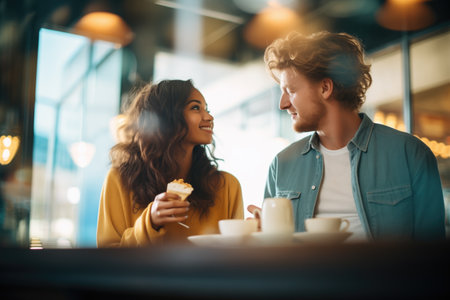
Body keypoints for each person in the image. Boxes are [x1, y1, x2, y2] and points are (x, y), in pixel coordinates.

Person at [248, 31, 445, 241]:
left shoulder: (410, 155)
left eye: (291, 90)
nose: (283, 104)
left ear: (325, 88)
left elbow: (433, 254)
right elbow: (276, 253)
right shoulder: (281, 165)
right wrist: (262, 237)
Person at [97, 79, 244, 247]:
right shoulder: (120, 179)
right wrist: (150, 222)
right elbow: (108, 256)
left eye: (207, 109)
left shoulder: (227, 187)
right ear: (166, 116)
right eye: (196, 108)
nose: (209, 117)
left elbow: (237, 253)